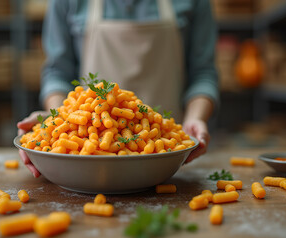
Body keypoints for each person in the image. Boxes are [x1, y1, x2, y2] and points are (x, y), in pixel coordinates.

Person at [17, 0, 219, 177]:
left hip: (162, 150)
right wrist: (54, 121)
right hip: (85, 158)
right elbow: (57, 72)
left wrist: (195, 118)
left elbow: (203, 72)